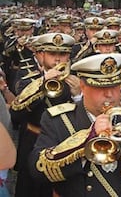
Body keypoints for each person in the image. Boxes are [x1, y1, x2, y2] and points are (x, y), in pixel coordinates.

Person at [28, 53, 121, 196]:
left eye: (115, 86)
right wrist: (85, 140)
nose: (109, 94)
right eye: (100, 88)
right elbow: (37, 170)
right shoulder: (58, 120)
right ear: (82, 86)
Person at [10, 33, 78, 197]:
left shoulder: (76, 78)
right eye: (52, 54)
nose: (57, 59)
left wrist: (78, 96)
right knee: (29, 188)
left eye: (62, 54)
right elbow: (16, 113)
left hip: (65, 143)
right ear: (40, 55)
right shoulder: (27, 77)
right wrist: (42, 83)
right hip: (33, 140)